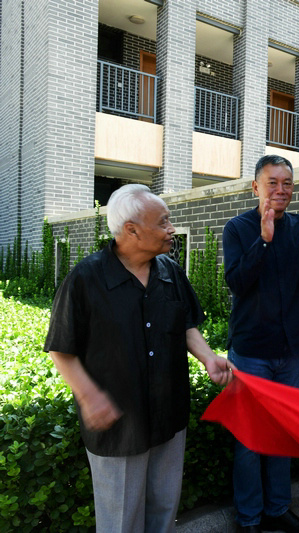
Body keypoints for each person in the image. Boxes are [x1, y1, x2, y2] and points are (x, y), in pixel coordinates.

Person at [44, 184, 235, 533]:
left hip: (169, 413)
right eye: (163, 222)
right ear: (131, 229)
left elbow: (186, 324)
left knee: (164, 510)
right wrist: (89, 397)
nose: (171, 229)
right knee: (121, 522)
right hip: (119, 425)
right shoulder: (85, 279)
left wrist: (208, 357)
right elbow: (61, 348)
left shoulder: (170, 271)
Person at [223, 154, 299, 533]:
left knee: (282, 431)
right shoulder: (237, 228)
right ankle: (248, 518)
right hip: (251, 351)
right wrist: (263, 242)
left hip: (290, 349)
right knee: (249, 438)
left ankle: (278, 509)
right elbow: (236, 282)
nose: (281, 190)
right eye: (272, 183)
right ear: (255, 187)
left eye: (287, 183)